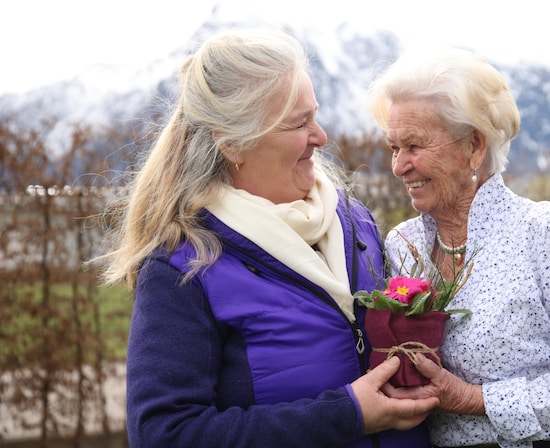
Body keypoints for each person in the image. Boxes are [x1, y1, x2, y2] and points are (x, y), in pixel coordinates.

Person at [96, 28, 437, 448]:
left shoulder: (355, 222)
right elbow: (165, 435)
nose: (321, 136)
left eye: (315, 114)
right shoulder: (185, 266)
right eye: (299, 123)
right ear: (235, 145)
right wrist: (344, 415)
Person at [366, 47, 550, 447]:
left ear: (474, 147)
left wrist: (473, 399)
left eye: (414, 146)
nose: (398, 166)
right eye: (394, 148)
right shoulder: (401, 245)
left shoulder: (545, 232)